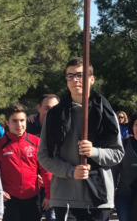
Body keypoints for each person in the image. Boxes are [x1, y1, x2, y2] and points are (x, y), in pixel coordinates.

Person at [38, 57, 124, 221]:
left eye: (79, 75)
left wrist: (94, 152)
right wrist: (70, 171)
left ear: (91, 79)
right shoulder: (54, 115)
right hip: (65, 199)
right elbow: (44, 155)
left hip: (99, 200)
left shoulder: (106, 113)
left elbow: (118, 153)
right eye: (70, 76)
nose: (74, 80)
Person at [0, 104, 51, 221]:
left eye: (22, 120)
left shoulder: (36, 142)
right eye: (14, 121)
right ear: (7, 122)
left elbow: (46, 170)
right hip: (10, 200)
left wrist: (49, 195)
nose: (19, 125)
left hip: (33, 198)